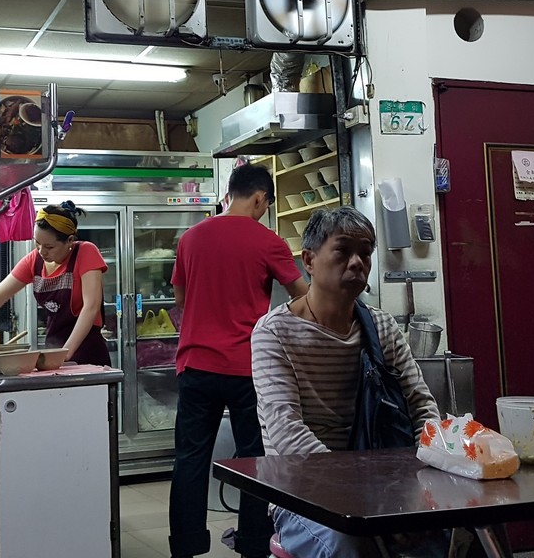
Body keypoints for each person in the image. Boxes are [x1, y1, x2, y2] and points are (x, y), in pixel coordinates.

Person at [252, 206, 442, 558]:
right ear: (309, 260)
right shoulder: (274, 332)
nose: (357, 262)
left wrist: (421, 479)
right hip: (302, 495)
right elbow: (285, 429)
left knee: (473, 527)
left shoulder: (381, 328)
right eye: (342, 250)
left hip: (386, 486)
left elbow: (421, 405)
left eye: (365, 252)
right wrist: (363, 497)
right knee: (355, 543)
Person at [167, 163, 309, 558]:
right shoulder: (269, 242)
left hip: (195, 365)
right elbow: (304, 298)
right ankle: (251, 542)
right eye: (265, 204)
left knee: (190, 458)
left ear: (230, 193)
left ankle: (186, 544)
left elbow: (180, 300)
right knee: (254, 461)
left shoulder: (190, 238)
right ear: (260, 197)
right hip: (248, 369)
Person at [0, 200, 109, 365]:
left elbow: (91, 307)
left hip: (87, 352)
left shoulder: (85, 252)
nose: (41, 251)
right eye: (37, 243)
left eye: (49, 247)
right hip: (54, 349)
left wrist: (65, 353)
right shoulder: (34, 260)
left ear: (69, 241)